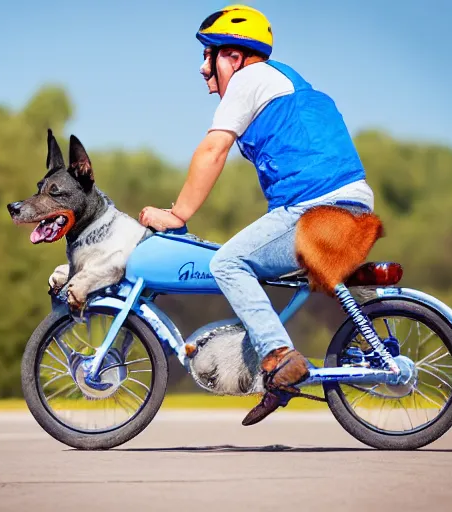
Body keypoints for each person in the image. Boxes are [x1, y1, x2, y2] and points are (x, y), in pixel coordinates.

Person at [139, 5, 374, 425]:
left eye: (207, 54)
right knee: (259, 267)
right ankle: (279, 361)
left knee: (227, 262)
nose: (201, 68)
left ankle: (279, 356)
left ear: (232, 56)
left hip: (320, 208)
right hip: (344, 206)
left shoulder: (250, 79)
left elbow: (213, 152)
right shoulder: (286, 83)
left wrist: (177, 215)